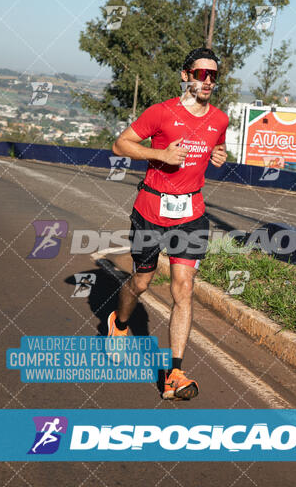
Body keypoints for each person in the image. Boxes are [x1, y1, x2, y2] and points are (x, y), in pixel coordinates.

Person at [109, 47, 229, 400]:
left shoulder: (219, 119)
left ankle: (174, 372)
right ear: (186, 75)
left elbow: (215, 148)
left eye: (213, 75)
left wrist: (219, 155)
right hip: (151, 211)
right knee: (142, 281)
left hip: (191, 215)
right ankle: (120, 323)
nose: (207, 81)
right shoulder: (161, 113)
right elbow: (121, 145)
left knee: (184, 287)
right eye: (200, 74)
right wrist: (159, 154)